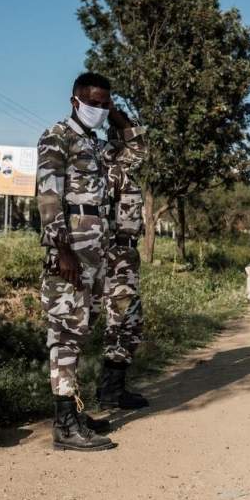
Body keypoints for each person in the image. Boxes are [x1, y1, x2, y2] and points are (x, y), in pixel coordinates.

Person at [37, 72, 145, 451]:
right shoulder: (57, 136)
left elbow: (136, 152)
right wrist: (60, 248)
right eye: (93, 102)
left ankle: (73, 412)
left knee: (81, 329)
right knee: (65, 332)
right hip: (71, 248)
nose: (98, 109)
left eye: (104, 103)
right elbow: (48, 195)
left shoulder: (96, 145)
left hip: (97, 248)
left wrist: (117, 116)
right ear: (74, 100)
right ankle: (64, 425)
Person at [98, 118, 150, 411]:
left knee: (127, 322)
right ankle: (110, 392)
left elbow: (140, 145)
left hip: (125, 258)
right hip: (114, 257)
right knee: (122, 322)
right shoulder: (110, 171)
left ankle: (113, 388)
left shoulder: (124, 169)